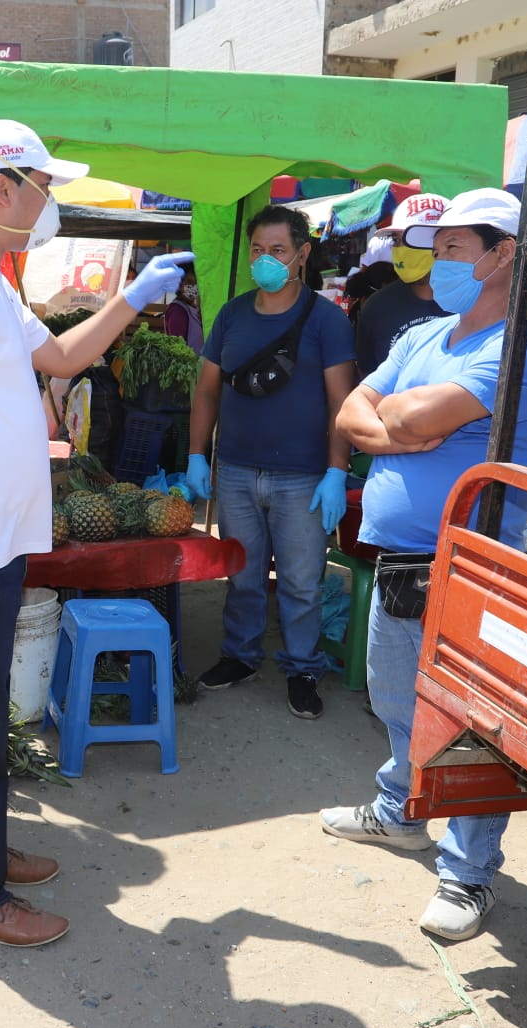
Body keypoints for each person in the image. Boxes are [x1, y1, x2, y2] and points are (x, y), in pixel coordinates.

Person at [0, 117, 190, 947]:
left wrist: (132, 298)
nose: (50, 199)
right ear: (2, 187)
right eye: (45, 185)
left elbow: (56, 361)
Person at [320, 188, 527, 942]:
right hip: (402, 557)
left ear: (503, 254)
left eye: (454, 246)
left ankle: (467, 874)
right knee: (396, 698)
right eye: (436, 247)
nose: (438, 261)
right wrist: (395, 429)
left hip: (473, 565)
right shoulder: (424, 335)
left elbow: (404, 416)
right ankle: (401, 812)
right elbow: (353, 414)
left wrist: (395, 424)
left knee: (470, 726)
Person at [186, 205, 356, 720]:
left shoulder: (327, 321)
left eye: (277, 250)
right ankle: (239, 656)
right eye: (258, 250)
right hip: (235, 470)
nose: (266, 260)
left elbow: (341, 404)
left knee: (303, 582)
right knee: (242, 574)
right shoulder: (233, 315)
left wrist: (336, 471)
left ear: (302, 255)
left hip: (303, 477)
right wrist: (196, 455)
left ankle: (302, 667)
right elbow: (208, 390)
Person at [354, 194, 449, 378]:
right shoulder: (377, 307)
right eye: (396, 240)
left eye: (409, 239)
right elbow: (366, 377)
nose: (399, 249)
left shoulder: (473, 306)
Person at [162, 263, 203, 354]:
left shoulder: (193, 308)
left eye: (196, 282)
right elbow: (178, 350)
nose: (193, 287)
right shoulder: (177, 311)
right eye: (189, 282)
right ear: (179, 285)